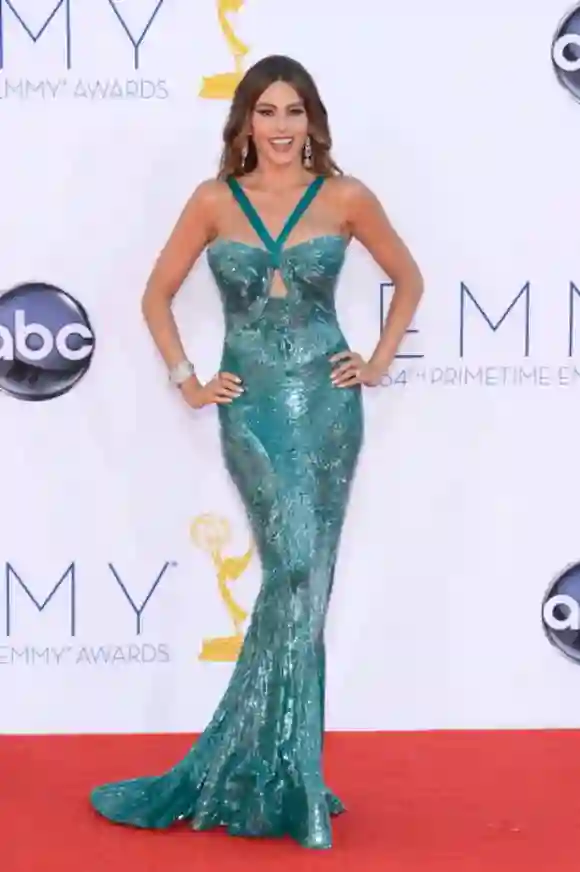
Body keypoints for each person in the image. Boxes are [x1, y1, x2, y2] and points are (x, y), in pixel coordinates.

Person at [90, 54, 423, 850]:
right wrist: (188, 379)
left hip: (330, 408)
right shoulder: (213, 201)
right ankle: (261, 765)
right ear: (243, 122)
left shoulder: (346, 197)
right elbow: (154, 293)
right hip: (253, 412)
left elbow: (408, 278)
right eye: (267, 112)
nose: (281, 126)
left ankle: (284, 770)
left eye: (294, 111)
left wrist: (375, 362)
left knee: (308, 581)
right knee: (292, 570)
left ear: (312, 120)